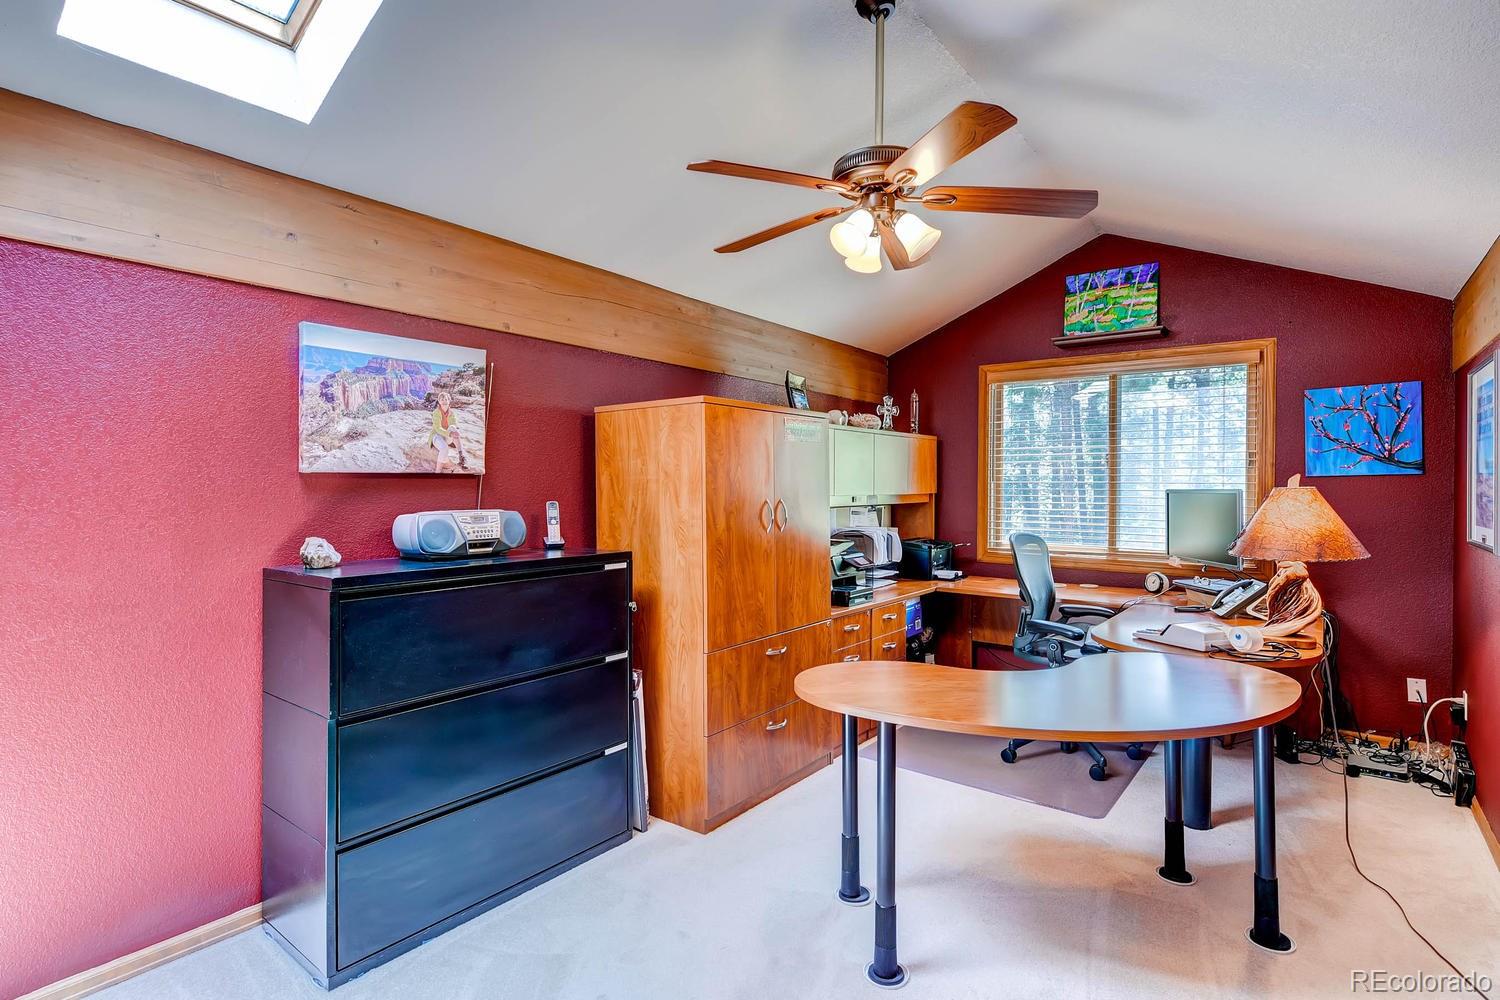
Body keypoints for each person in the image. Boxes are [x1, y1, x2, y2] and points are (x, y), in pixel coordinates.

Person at [429, 391, 465, 472]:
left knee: (453, 427)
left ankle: (461, 455)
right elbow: (437, 428)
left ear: (449, 401)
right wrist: (450, 433)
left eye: (446, 399)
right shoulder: (436, 412)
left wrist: (455, 431)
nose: (444, 401)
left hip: (446, 436)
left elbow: (453, 424)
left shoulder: (451, 413)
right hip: (437, 436)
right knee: (444, 448)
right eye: (442, 399)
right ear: (439, 401)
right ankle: (437, 471)